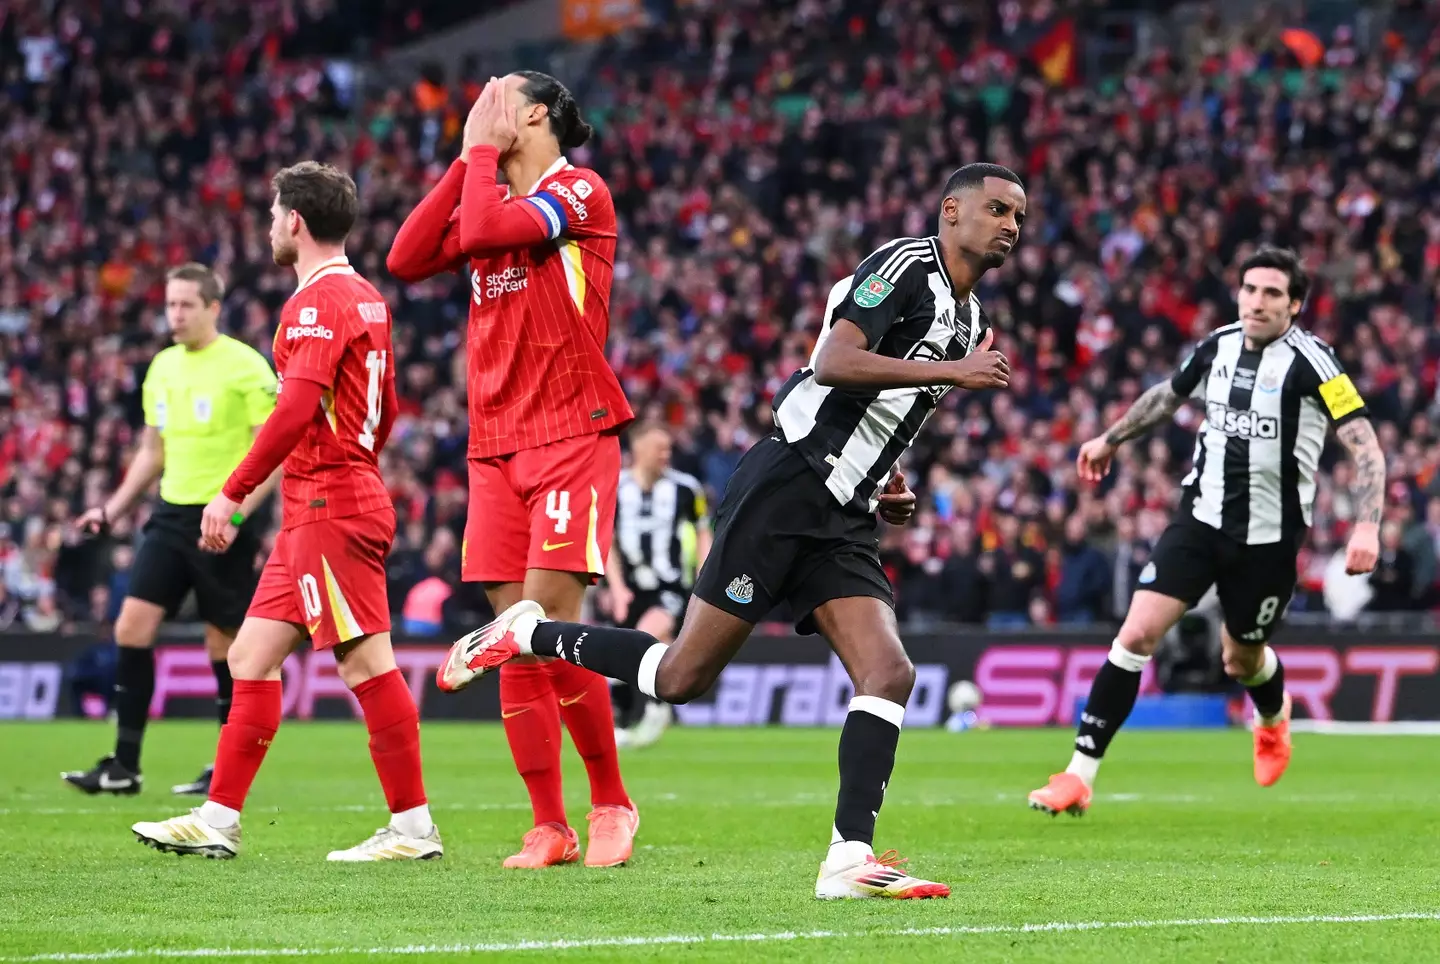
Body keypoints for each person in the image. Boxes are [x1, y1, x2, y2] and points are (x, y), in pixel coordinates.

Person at [437, 163, 1023, 899]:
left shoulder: (972, 323)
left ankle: (849, 860)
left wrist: (889, 485)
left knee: (890, 672)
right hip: (788, 484)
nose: (1010, 226)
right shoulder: (904, 266)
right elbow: (832, 362)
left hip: (844, 511)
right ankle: (528, 634)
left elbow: (885, 417)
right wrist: (958, 374)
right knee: (681, 677)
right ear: (952, 211)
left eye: (1019, 218)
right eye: (998, 209)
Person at [131, 161, 441, 861]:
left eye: (273, 215)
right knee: (249, 655)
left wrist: (234, 490)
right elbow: (385, 408)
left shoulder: (313, 303)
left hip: (330, 502)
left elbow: (296, 408)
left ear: (295, 221)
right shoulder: (366, 298)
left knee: (366, 664)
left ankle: (413, 829)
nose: (269, 226)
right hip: (328, 498)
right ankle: (218, 819)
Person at [1027, 246, 1386, 817]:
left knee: (1241, 659)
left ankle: (1271, 718)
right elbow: (1167, 397)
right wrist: (1110, 438)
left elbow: (1365, 444)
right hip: (1199, 520)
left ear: (1294, 304)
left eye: (1272, 293)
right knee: (1137, 633)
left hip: (1269, 541)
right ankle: (1078, 776)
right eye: (1250, 288)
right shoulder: (1216, 345)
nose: (1257, 301)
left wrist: (1367, 527)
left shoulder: (1315, 362)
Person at [388, 72, 637, 868]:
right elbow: (405, 256)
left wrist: (478, 159)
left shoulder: (581, 191)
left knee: (545, 627)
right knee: (514, 641)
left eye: (495, 93)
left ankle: (610, 802)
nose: (479, 100)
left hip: (570, 431)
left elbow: (492, 233)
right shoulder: (485, 190)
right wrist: (469, 160)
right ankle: (549, 824)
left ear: (533, 113)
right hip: (494, 444)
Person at [62, 263, 280, 798]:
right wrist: (111, 510)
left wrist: (234, 515)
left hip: (224, 517)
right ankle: (124, 766)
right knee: (131, 629)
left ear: (212, 307)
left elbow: (271, 457)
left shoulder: (245, 366)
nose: (174, 315)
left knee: (224, 647)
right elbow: (150, 453)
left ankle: (223, 770)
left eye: (185, 305)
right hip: (169, 515)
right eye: (169, 304)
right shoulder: (161, 367)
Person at [602, 422, 711, 749]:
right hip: (631, 586)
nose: (666, 455)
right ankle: (625, 719)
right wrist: (617, 588)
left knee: (647, 634)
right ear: (638, 451)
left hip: (671, 585)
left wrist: (705, 576)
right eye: (658, 449)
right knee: (617, 651)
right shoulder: (615, 487)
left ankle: (654, 706)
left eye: (668, 449)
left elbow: (704, 532)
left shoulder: (685, 488)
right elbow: (608, 542)